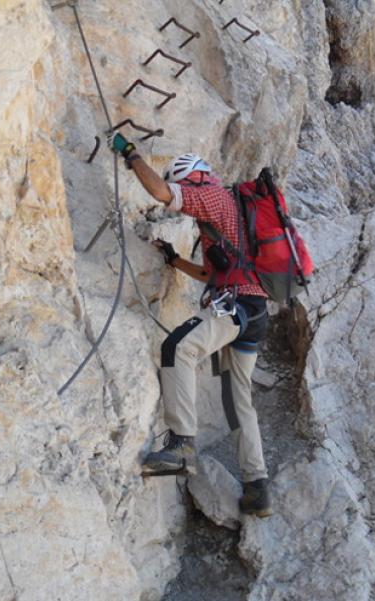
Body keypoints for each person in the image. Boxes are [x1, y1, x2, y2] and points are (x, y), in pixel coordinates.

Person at [107, 132, 272, 518]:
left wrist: (131, 154)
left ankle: (181, 444)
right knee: (238, 402)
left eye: (186, 183)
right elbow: (209, 272)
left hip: (235, 308)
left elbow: (163, 193)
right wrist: (174, 259)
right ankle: (257, 488)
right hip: (254, 312)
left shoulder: (212, 196)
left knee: (177, 346)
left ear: (194, 177)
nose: (184, 193)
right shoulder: (228, 215)